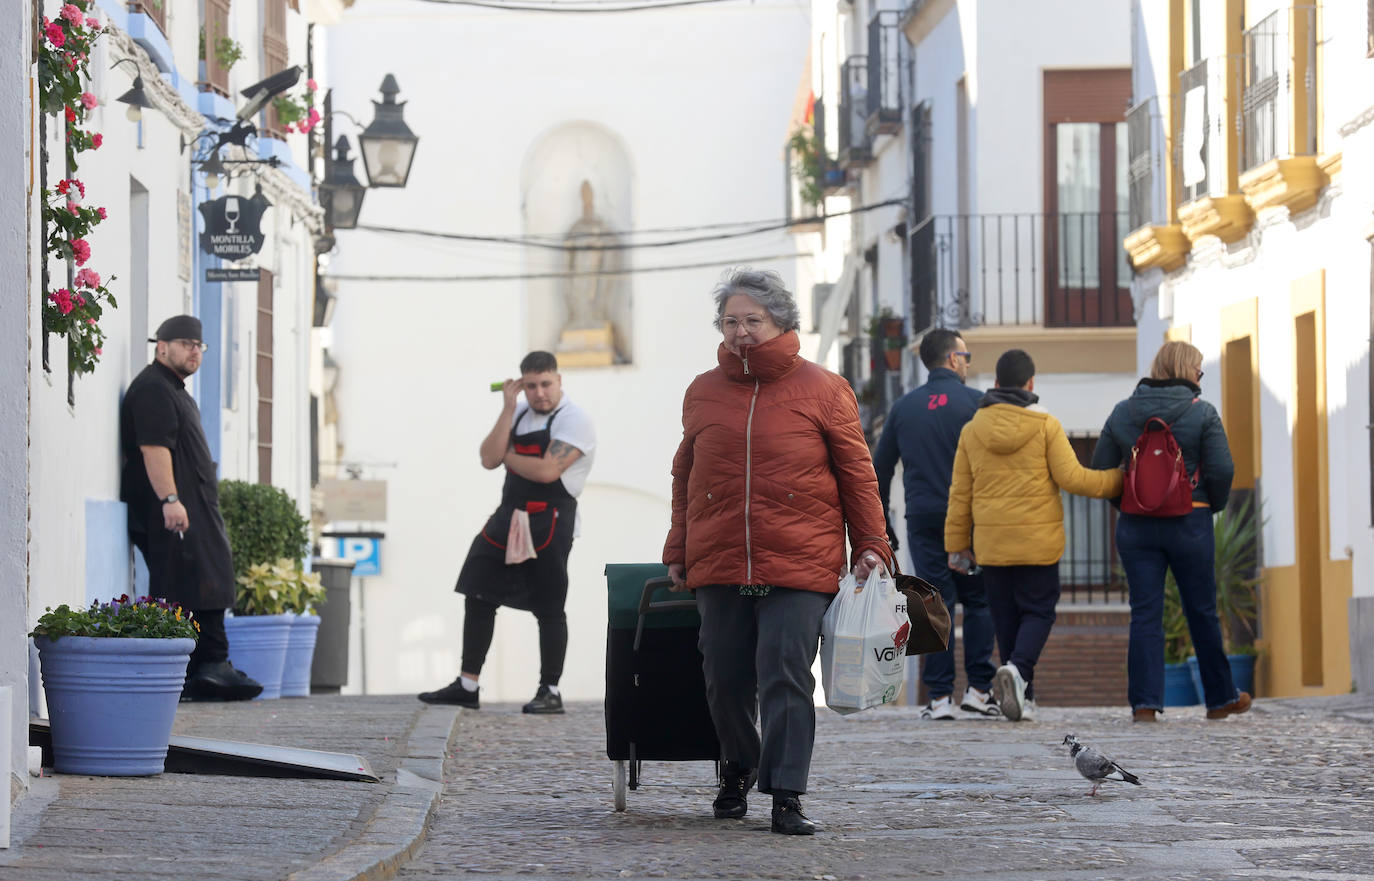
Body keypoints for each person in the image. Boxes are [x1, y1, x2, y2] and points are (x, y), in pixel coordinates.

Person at [663, 269, 894, 835]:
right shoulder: (702, 390)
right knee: (722, 673)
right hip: (719, 559)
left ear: (781, 323)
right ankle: (738, 765)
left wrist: (871, 544)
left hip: (800, 559)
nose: (740, 332)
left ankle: (786, 792)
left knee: (785, 673)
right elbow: (684, 476)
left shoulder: (825, 389)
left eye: (752, 321)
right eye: (730, 322)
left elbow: (857, 475)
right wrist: (678, 547)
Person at [944, 349, 1122, 722]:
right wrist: (1119, 479)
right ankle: (1020, 672)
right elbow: (1074, 478)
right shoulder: (1045, 425)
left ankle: (1025, 696)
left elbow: (960, 493)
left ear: (994, 384)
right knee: (1039, 612)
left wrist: (956, 546)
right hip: (1038, 544)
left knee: (1006, 618)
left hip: (992, 547)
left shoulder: (972, 430)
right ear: (1030, 384)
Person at [419, 351, 596, 715]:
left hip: (551, 520)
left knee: (550, 604)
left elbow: (548, 471)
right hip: (508, 516)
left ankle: (550, 690)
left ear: (558, 380)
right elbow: (487, 457)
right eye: (530, 386)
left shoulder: (576, 420)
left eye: (545, 384)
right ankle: (467, 685)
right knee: (477, 587)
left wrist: (508, 456)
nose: (539, 393)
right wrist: (507, 407)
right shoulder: (516, 412)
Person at [1090, 340, 1249, 722]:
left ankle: (1144, 704)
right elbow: (1223, 470)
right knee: (1202, 610)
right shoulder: (1202, 412)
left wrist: (1128, 503)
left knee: (1144, 613)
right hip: (1189, 521)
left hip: (1136, 527)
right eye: (1198, 369)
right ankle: (1220, 699)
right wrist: (1210, 503)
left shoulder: (1123, 411)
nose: (1200, 376)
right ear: (1186, 370)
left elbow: (1101, 470)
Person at [120, 315, 262, 701]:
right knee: (185, 582)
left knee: (207, 576)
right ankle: (204, 666)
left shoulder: (174, 389)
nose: (194, 351)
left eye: (198, 345)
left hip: (192, 507)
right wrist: (170, 500)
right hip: (171, 510)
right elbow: (154, 448)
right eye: (185, 343)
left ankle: (208, 667)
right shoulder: (153, 388)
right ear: (161, 346)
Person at [874, 328, 998, 720]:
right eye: (965, 356)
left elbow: (877, 470)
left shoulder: (903, 408)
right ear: (952, 359)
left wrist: (884, 525)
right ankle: (979, 690)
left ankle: (939, 697)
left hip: (924, 517)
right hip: (970, 519)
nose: (966, 362)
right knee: (978, 601)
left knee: (933, 602)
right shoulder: (977, 403)